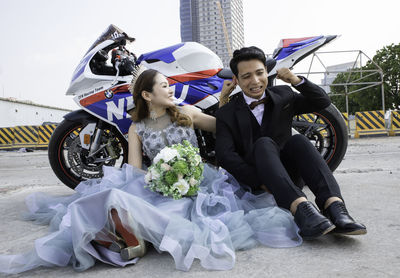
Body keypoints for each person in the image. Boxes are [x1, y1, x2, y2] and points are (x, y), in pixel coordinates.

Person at [0, 68, 302, 275]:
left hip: (200, 183)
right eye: (164, 87)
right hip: (161, 184)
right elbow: (132, 169)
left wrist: (225, 96)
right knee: (112, 195)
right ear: (147, 95)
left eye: (169, 86)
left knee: (180, 215)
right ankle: (128, 234)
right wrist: (155, 178)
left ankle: (129, 233)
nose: (170, 90)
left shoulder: (184, 112)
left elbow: (224, 125)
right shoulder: (136, 128)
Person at [215, 46, 366, 240]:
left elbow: (322, 101)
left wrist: (296, 81)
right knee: (263, 143)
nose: (255, 81)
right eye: (246, 76)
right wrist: (259, 181)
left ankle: (335, 207)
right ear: (236, 80)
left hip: (289, 175)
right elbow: (225, 156)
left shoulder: (283, 95)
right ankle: (302, 211)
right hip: (259, 179)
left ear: (266, 73)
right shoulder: (227, 112)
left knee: (299, 141)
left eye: (260, 73)